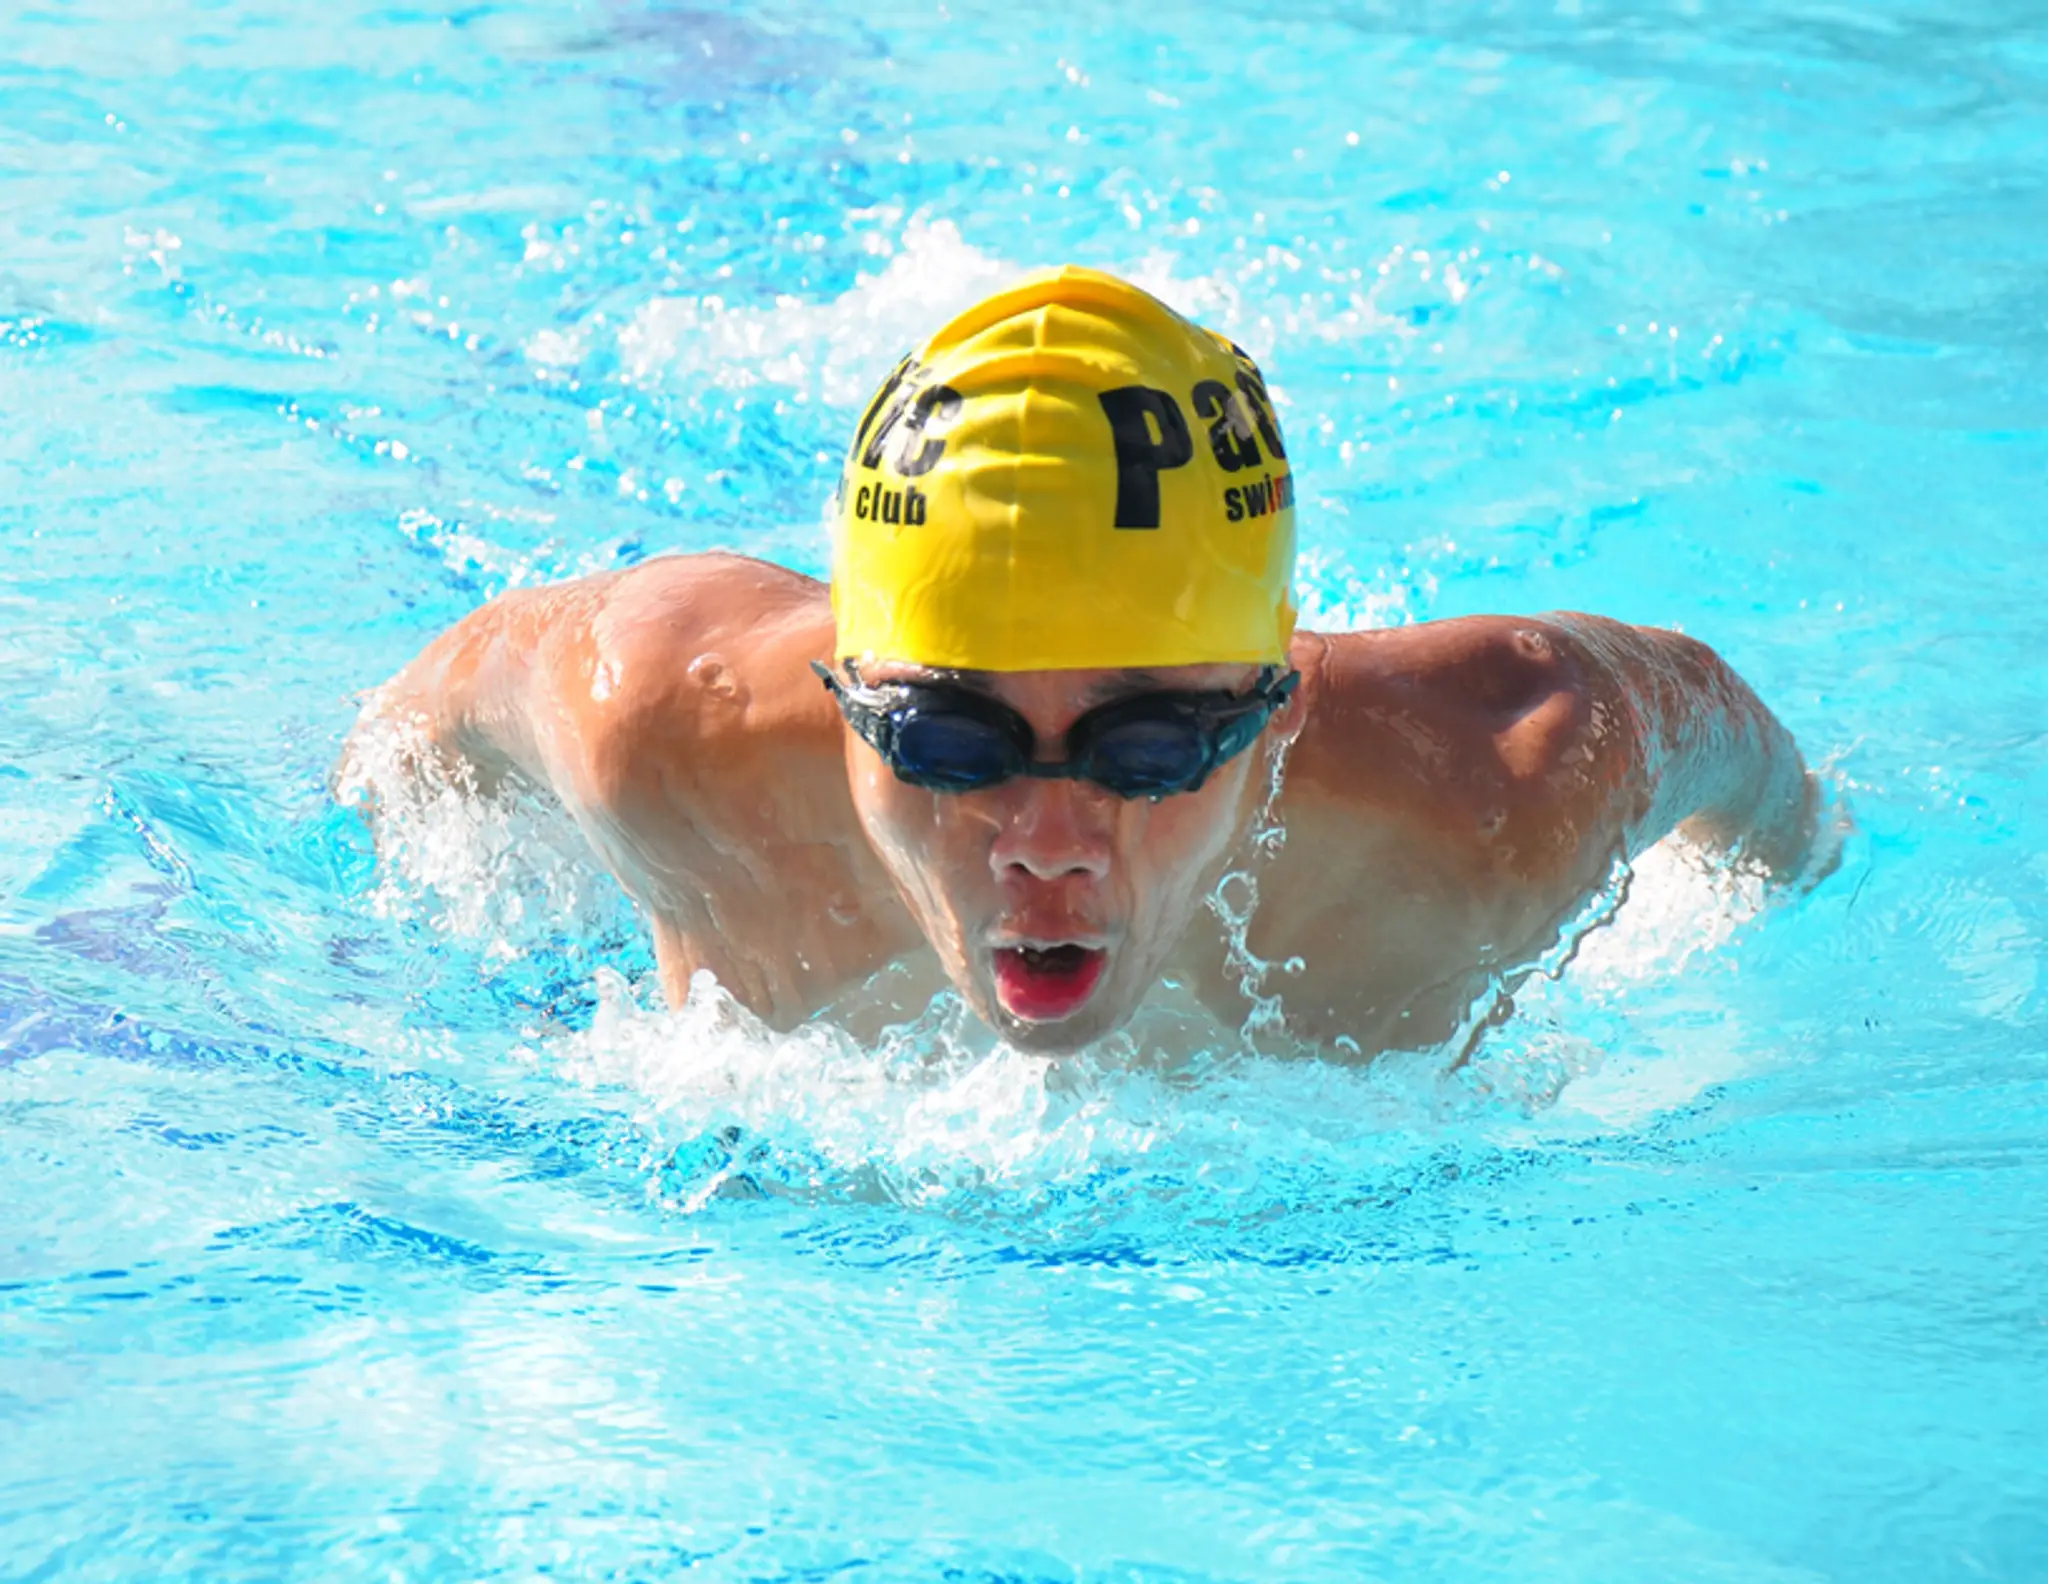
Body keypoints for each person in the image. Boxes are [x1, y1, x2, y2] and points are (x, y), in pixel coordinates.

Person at [343, 267, 1819, 1059]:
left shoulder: (1500, 787)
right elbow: (406, 740)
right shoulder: (663, 725)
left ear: (1271, 707)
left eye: (1148, 748)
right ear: (844, 703)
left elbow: (1751, 767)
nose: (1045, 844)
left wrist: (1778, 921)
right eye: (951, 741)